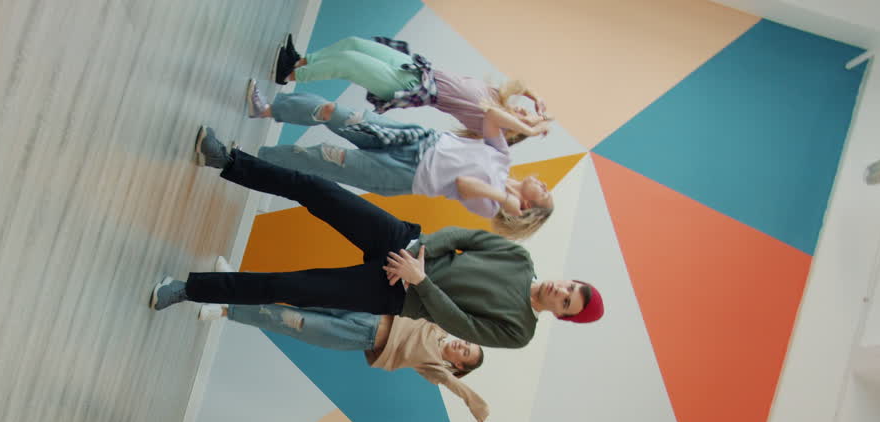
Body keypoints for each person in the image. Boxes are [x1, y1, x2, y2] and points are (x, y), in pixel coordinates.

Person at [161, 137, 604, 349]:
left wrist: (419, 280)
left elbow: (460, 323)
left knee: (290, 286)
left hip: (396, 292)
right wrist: (416, 254)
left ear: (562, 315)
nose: (561, 291)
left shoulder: (519, 332)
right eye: (571, 286)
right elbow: (462, 238)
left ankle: (189, 289)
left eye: (567, 302)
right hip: (405, 243)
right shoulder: (520, 257)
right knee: (316, 189)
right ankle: (228, 160)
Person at [238, 88, 549, 237]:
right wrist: (531, 129)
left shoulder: (491, 205)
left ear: (527, 207)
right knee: (335, 113)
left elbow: (464, 184)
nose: (544, 184)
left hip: (401, 174)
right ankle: (266, 110)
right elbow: (492, 116)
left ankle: (249, 161)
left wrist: (504, 198)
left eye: (545, 193)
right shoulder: (503, 156)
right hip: (414, 139)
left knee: (319, 157)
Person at [199, 303, 491, 422]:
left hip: (359, 336)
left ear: (458, 365)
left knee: (295, 322)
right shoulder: (438, 326)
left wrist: (479, 408)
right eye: (466, 343)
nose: (461, 346)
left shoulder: (435, 367)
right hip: (368, 310)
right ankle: (233, 283)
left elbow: (457, 387)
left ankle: (227, 310)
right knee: (299, 292)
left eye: (465, 353)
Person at [268, 34, 553, 142]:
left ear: (515, 129)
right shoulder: (496, 98)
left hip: (410, 87)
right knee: (354, 44)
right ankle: (299, 61)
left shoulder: (491, 125)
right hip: (417, 70)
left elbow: (503, 121)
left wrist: (534, 127)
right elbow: (520, 84)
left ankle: (289, 75)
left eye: (526, 117)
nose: (523, 111)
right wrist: (537, 98)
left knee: (350, 63)